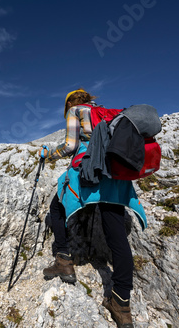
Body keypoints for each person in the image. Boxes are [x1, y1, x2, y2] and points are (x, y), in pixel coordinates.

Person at [40, 89, 135, 328]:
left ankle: (64, 261)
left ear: (70, 103)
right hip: (114, 174)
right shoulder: (106, 115)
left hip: (88, 170)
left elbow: (71, 146)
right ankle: (122, 305)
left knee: (56, 208)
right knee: (117, 236)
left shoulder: (76, 111)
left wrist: (48, 154)